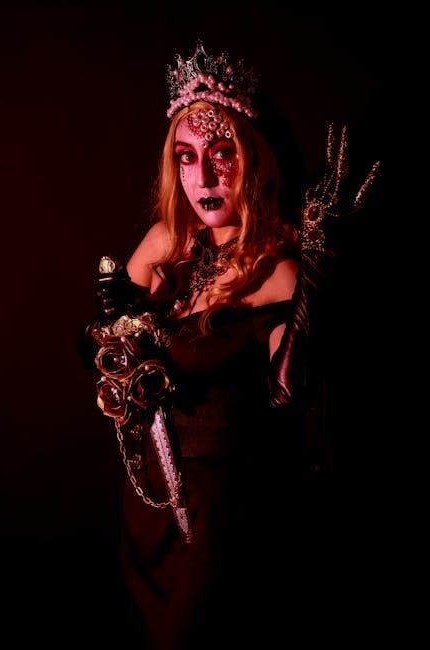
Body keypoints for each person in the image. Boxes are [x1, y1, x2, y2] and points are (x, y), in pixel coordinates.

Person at [82, 41, 379, 649]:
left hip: (221, 519)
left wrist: (317, 278)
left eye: (223, 154)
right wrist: (113, 322)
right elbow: (97, 350)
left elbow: (291, 391)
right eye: (187, 158)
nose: (205, 178)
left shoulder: (278, 272)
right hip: (147, 508)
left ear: (256, 160)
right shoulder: (167, 244)